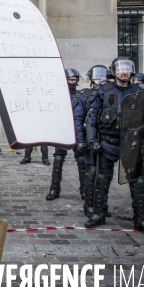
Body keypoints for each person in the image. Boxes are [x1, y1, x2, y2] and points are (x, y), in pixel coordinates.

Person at [84, 57, 144, 236]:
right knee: (102, 180)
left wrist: (142, 136)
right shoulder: (104, 89)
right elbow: (91, 117)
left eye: (127, 68)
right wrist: (92, 140)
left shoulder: (140, 91)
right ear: (114, 71)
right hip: (108, 142)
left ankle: (141, 218)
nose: (124, 72)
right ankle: (99, 213)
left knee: (138, 182)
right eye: (121, 69)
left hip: (131, 144)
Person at [45, 69, 87, 201]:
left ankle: (84, 189)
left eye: (74, 80)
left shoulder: (81, 96)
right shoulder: (57, 95)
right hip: (62, 131)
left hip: (78, 131)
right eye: (70, 80)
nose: (72, 82)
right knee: (58, 159)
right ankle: (54, 188)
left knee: (81, 160)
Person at [75, 65, 110, 216]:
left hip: (106, 138)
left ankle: (102, 205)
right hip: (90, 137)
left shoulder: (110, 92)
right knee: (91, 171)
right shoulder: (85, 95)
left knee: (105, 175)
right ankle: (89, 204)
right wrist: (80, 140)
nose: (100, 80)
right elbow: (78, 119)